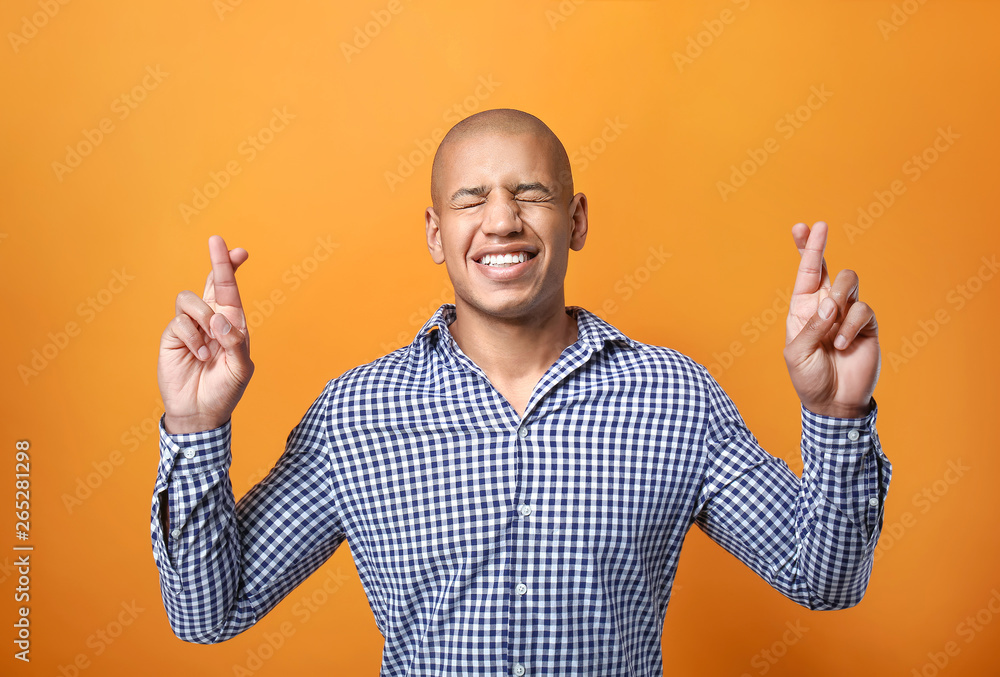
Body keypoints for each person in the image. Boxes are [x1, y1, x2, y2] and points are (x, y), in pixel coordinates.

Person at [151, 109, 891, 676]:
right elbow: (206, 612)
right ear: (437, 234)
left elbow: (822, 579)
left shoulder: (675, 397)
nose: (501, 218)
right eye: (472, 199)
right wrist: (192, 426)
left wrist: (835, 413)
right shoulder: (356, 414)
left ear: (575, 221)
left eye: (530, 193)